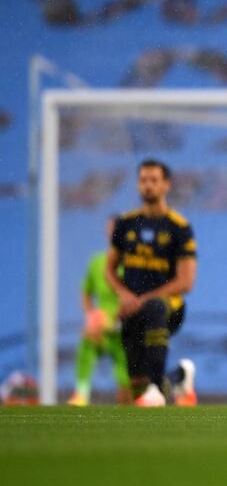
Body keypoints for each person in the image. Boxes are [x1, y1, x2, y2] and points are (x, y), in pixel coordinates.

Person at [106, 159, 198, 407]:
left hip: (169, 307)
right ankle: (177, 377)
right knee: (138, 388)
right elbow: (109, 270)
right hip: (131, 307)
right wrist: (124, 295)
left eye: (154, 180)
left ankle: (157, 386)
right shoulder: (126, 224)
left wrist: (142, 299)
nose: (148, 185)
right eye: (143, 180)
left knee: (154, 308)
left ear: (166, 185)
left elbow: (186, 281)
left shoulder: (179, 228)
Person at [67, 215, 131, 406]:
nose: (111, 234)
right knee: (87, 341)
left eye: (116, 230)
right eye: (109, 230)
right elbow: (86, 292)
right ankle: (81, 393)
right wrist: (91, 315)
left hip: (126, 327)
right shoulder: (97, 262)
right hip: (101, 326)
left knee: (127, 389)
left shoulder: (133, 263)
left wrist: (117, 320)